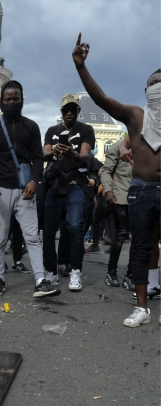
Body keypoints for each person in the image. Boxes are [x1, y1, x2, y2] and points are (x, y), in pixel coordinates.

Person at [72, 33, 160, 326]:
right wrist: (81, 67)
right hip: (141, 190)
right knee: (141, 246)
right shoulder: (136, 116)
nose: (158, 88)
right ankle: (142, 308)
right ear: (145, 90)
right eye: (154, 84)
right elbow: (101, 98)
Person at [0, 79, 60, 298]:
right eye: (8, 99)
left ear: (22, 100)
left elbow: (37, 158)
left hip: (26, 190)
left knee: (32, 237)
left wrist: (35, 180)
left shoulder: (31, 127)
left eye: (16, 98)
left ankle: (40, 281)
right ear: (1, 101)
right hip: (0, 190)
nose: (12, 102)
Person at [42, 94, 95, 290]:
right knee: (48, 230)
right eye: (66, 110)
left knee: (75, 227)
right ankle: (51, 271)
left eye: (73, 109)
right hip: (55, 183)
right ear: (61, 112)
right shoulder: (52, 131)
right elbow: (44, 152)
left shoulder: (86, 130)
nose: (69, 113)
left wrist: (72, 153)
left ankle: (75, 271)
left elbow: (85, 155)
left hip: (75, 184)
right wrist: (54, 150)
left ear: (78, 111)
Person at [97, 137, 133, 288]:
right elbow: (106, 171)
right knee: (120, 235)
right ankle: (111, 272)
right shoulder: (118, 146)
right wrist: (108, 190)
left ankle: (130, 275)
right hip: (120, 197)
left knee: (138, 239)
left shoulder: (148, 146)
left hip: (140, 198)